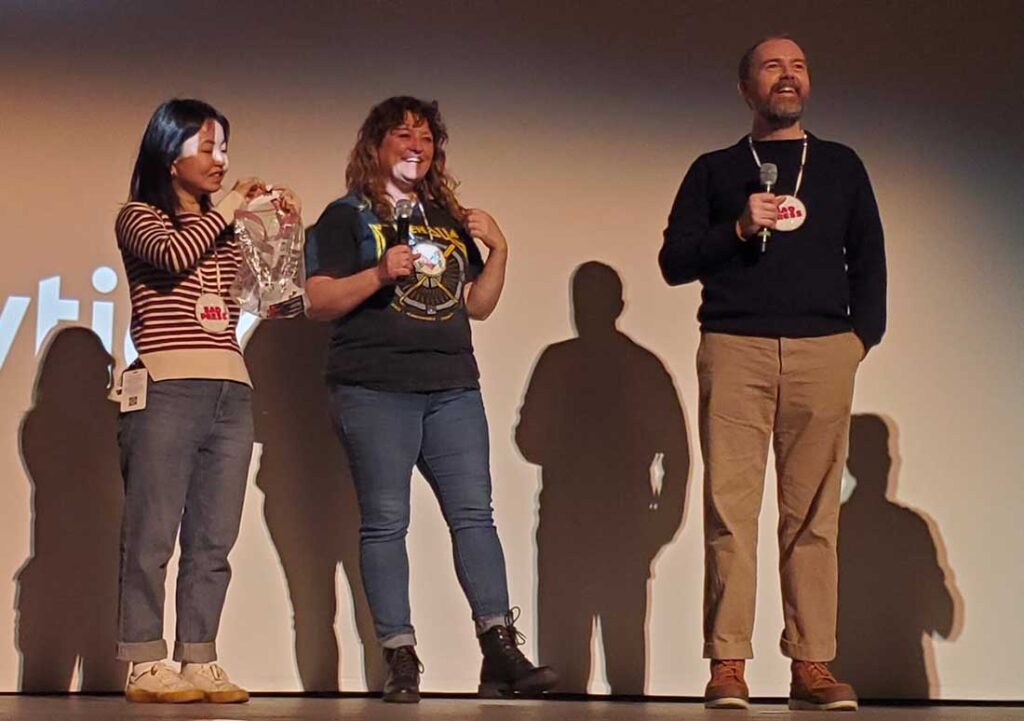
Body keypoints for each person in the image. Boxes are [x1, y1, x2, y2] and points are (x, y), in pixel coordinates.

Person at [659, 36, 887, 711]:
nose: (787, 76)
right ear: (745, 89)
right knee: (731, 509)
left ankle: (811, 662)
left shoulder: (841, 165)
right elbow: (674, 260)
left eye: (798, 66)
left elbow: (868, 258)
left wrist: (856, 340)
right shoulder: (717, 168)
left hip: (824, 350)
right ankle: (729, 662)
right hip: (735, 346)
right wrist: (735, 228)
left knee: (813, 515)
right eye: (771, 66)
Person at [304, 96, 556, 703]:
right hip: (373, 387)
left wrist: (499, 252)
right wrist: (379, 273)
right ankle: (401, 655)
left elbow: (475, 304)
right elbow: (316, 302)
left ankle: (499, 650)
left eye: (427, 137)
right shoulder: (345, 217)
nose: (417, 146)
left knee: (474, 517)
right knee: (387, 523)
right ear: (376, 145)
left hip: (451, 388)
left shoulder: (445, 216)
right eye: (403, 135)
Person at [115, 98, 296, 704]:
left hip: (230, 387)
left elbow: (274, 299)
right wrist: (230, 217)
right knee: (153, 532)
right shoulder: (139, 217)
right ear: (171, 155)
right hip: (166, 383)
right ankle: (144, 662)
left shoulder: (222, 229)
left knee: (214, 539)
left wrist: (280, 230)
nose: (220, 161)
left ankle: (199, 657)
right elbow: (171, 256)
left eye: (225, 148)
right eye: (208, 147)